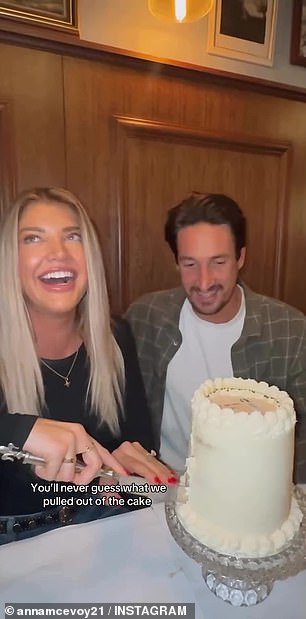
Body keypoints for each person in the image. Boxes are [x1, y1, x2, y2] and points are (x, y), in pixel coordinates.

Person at [0, 187, 174, 545]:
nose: (58, 253)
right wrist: (16, 430)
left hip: (101, 519)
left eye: (72, 236)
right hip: (13, 540)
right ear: (10, 260)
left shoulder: (115, 336)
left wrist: (125, 471)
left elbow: (133, 443)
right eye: (33, 238)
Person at [126, 192, 306, 482]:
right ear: (176, 262)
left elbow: (301, 445)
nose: (204, 281)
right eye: (190, 264)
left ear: (240, 257)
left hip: (244, 492)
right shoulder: (145, 318)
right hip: (157, 487)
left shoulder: (291, 331)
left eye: (218, 262)